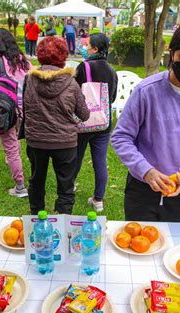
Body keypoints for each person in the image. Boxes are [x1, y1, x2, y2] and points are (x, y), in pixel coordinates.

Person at [111, 17, 180, 222]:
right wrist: (147, 171)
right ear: (172, 53)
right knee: (138, 244)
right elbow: (121, 137)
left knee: (172, 243)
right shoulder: (147, 91)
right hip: (142, 188)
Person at [23, 36, 90, 215]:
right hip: (65, 142)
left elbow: (25, 106)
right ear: (63, 56)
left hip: (36, 140)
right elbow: (84, 115)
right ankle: (62, 221)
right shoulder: (72, 83)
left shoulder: (29, 80)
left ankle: (36, 218)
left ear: (40, 55)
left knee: (36, 180)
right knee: (66, 186)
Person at [74, 33, 118, 212]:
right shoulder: (112, 71)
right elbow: (112, 98)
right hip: (103, 124)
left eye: (88, 45)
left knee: (75, 157)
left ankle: (70, 187)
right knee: (100, 161)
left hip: (83, 122)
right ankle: (98, 200)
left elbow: (74, 93)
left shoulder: (83, 67)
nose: (85, 47)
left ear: (95, 49)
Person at [0, 28, 31, 198]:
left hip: (7, 110)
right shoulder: (22, 59)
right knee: (16, 140)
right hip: (26, 109)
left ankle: (20, 187)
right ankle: (16, 162)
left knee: (10, 148)